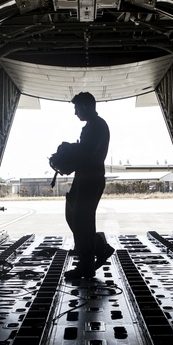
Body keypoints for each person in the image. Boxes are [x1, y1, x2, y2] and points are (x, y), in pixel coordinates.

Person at [63, 92, 114, 280]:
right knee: (75, 217)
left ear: (85, 107)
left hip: (90, 179)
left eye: (77, 108)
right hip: (85, 178)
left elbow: (88, 153)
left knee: (82, 222)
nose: (75, 113)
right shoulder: (94, 126)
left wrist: (68, 151)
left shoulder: (96, 127)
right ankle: (100, 248)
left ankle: (86, 266)